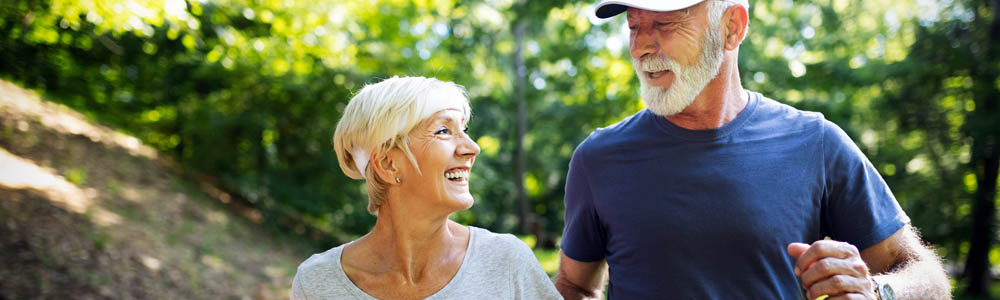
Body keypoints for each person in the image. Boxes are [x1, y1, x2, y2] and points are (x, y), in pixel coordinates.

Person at [555, 0, 951, 299]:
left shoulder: (816, 142)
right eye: (633, 26)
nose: (640, 46)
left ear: (732, 27)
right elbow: (574, 287)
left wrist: (879, 291)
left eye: (663, 24)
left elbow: (929, 279)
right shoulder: (598, 158)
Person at [291, 76, 561, 300]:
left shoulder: (506, 260)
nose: (472, 148)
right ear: (387, 164)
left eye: (464, 130)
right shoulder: (317, 282)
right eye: (443, 131)